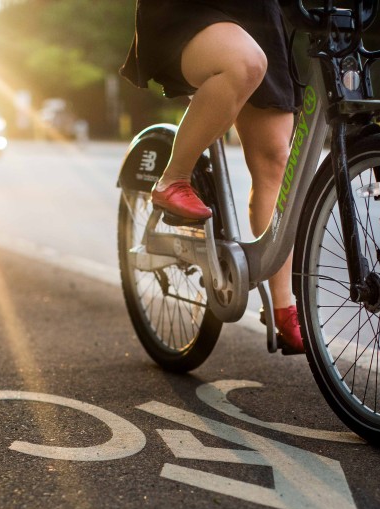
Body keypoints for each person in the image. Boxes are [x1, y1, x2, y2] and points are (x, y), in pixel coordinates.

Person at [120, 0, 305, 354]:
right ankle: (173, 178)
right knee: (244, 63)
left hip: (260, 15)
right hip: (191, 12)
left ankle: (283, 308)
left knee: (275, 162)